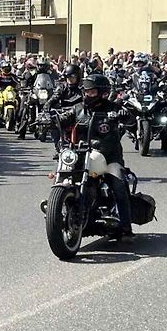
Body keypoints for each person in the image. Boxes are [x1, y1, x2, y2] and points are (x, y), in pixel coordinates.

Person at [59, 74, 133, 238]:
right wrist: (51, 118)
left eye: (92, 92)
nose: (88, 95)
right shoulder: (78, 109)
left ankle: (126, 227)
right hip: (81, 154)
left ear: (102, 93)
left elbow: (131, 120)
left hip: (109, 157)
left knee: (119, 186)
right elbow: (64, 118)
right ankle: (59, 206)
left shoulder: (112, 108)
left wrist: (123, 114)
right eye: (86, 92)